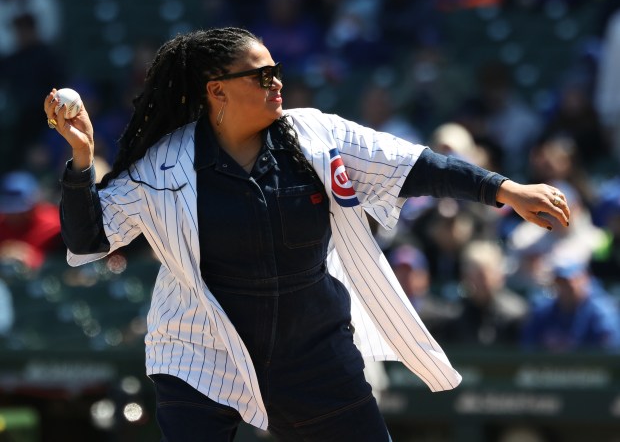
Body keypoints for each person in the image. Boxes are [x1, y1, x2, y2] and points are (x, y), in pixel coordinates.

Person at [43, 27, 570, 441]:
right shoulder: (164, 165)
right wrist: (83, 159)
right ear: (217, 90)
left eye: (276, 70)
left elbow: (413, 166)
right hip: (200, 352)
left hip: (312, 351)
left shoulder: (317, 135)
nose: (276, 80)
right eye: (260, 74)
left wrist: (505, 189)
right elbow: (89, 240)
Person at [521, 261, 620, 352]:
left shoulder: (601, 313)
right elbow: (528, 346)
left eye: (570, 282)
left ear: (584, 280)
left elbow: (607, 351)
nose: (566, 287)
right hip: (548, 369)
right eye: (561, 282)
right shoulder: (543, 311)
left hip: (589, 369)